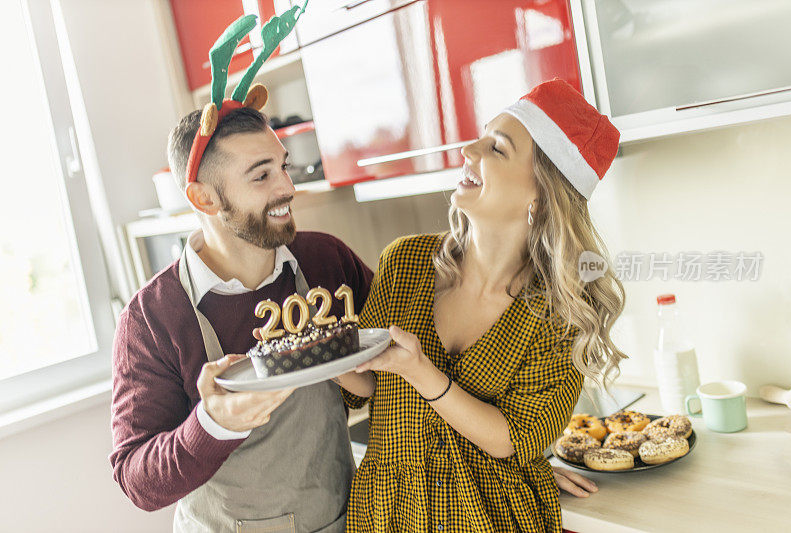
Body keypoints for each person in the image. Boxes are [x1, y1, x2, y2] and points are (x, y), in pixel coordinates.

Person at [335, 78, 626, 532]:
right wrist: (318, 354)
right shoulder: (405, 261)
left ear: (540, 195)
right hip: (384, 513)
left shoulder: (560, 312)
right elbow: (366, 384)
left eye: (497, 148)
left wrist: (420, 370)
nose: (469, 150)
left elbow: (511, 439)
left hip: (489, 518)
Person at [109, 103, 373, 532]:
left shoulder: (326, 261)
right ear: (205, 198)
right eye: (262, 175)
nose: (287, 187)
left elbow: (396, 368)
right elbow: (137, 479)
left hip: (342, 519)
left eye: (283, 166)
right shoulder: (152, 318)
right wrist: (214, 424)